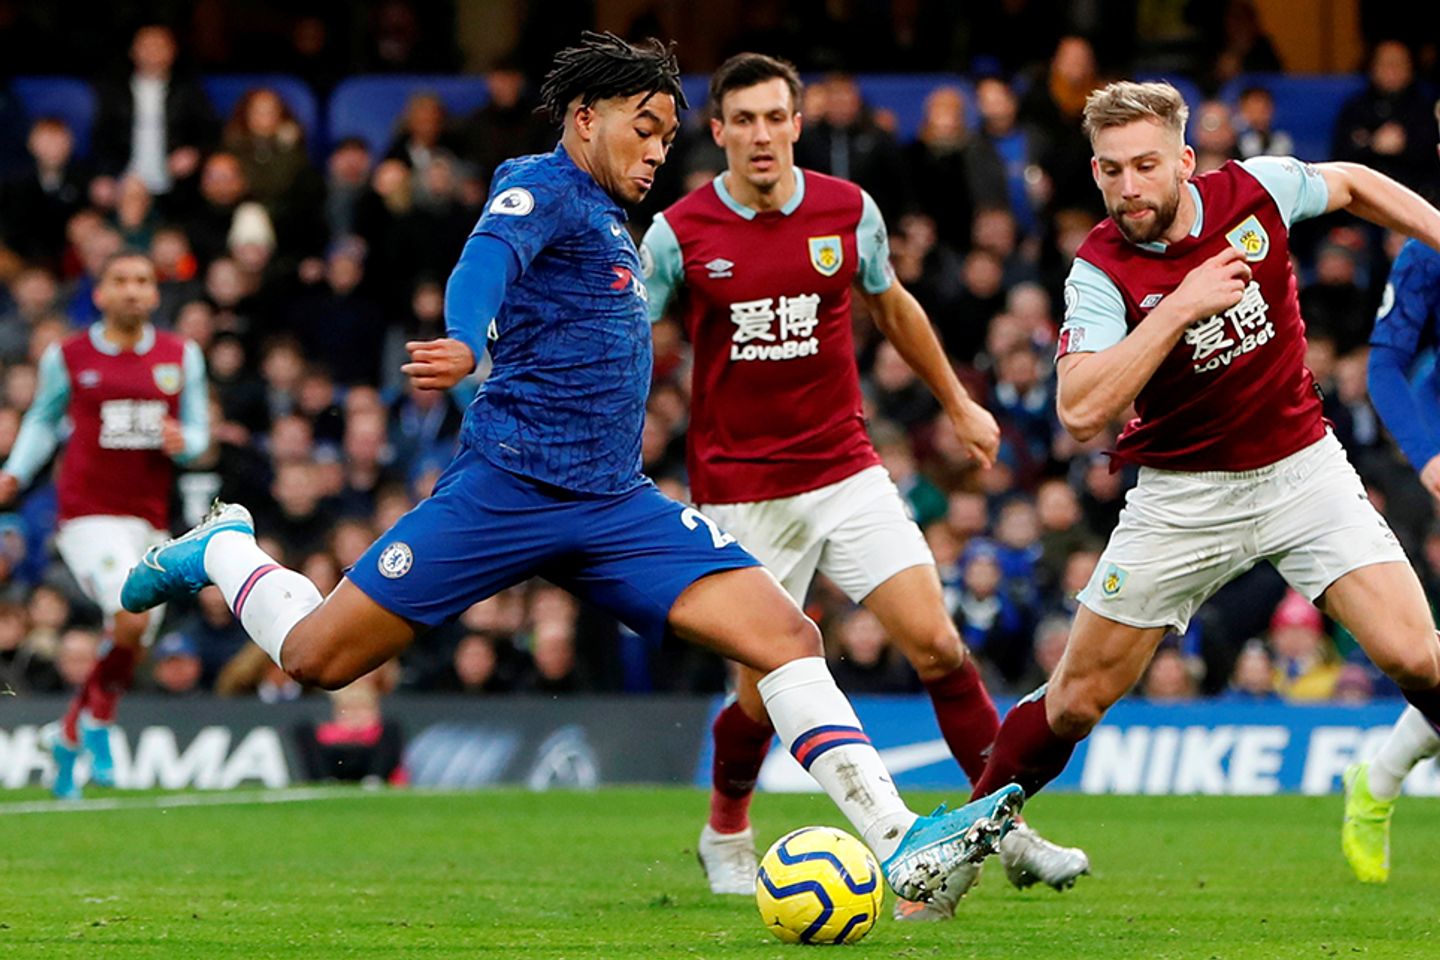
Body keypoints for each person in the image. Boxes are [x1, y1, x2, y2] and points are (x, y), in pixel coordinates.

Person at [118, 32, 1022, 906]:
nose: (660, 150)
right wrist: (468, 341)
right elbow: (485, 262)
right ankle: (226, 547)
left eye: (670, 135)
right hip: (505, 492)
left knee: (788, 637)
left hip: (612, 502)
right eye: (645, 127)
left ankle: (897, 836)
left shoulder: (613, 217)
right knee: (317, 658)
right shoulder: (539, 186)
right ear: (585, 118)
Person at [640, 53, 1087, 920]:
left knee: (938, 646)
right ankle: (725, 831)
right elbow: (634, 334)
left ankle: (1001, 824)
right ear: (721, 131)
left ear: (798, 124)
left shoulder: (848, 211)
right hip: (741, 491)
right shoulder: (680, 232)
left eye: (778, 117)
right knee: (760, 692)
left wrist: (958, 402)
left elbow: (894, 307)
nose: (763, 134)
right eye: (746, 120)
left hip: (846, 469)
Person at [965, 81, 1440, 845]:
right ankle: (962, 847)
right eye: (1112, 170)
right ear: (1094, 173)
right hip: (1184, 498)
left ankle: (1378, 783)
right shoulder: (1097, 272)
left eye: (1146, 165)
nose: (1130, 186)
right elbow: (1081, 413)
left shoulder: (1259, 189)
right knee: (1076, 701)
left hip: (1301, 470)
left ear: (1185, 160)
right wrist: (1181, 306)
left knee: (1418, 656)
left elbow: (1354, 183)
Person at [0, 250, 208, 798]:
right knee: (129, 615)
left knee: (129, 636)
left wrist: (187, 445)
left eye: (143, 281)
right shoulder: (67, 356)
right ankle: (97, 723)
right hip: (87, 515)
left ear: (155, 294)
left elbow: (199, 431)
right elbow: (44, 420)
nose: (134, 290)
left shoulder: (179, 355)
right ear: (101, 293)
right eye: (121, 281)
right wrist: (15, 473)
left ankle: (66, 733)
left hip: (151, 521)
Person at [1349, 119, 1440, 880]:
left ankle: (1378, 779)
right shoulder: (1427, 248)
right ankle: (1377, 782)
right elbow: (1385, 366)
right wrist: (1431, 455)